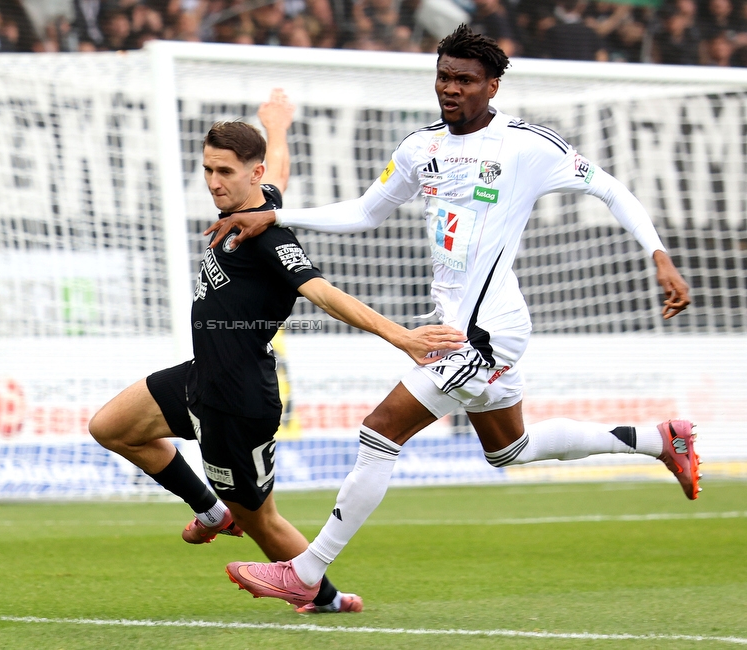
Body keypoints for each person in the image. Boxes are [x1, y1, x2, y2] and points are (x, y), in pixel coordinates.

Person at [211, 25, 697, 608]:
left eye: (465, 80)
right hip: (454, 320)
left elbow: (613, 190)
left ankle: (308, 571)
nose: (450, 89)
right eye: (443, 77)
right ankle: (657, 439)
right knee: (510, 450)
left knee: (380, 429)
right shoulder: (420, 148)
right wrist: (281, 218)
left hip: (485, 331)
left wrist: (659, 256)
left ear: (492, 86)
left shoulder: (527, 146)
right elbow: (367, 212)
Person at [88, 89, 465, 614]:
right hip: (201, 378)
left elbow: (321, 292)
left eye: (224, 171)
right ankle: (213, 510)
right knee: (109, 428)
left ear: (249, 172)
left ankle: (327, 599)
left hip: (237, 401)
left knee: (263, 519)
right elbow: (279, 177)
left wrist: (401, 337)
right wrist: (277, 125)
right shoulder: (258, 205)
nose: (214, 182)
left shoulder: (269, 239)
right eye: (207, 170)